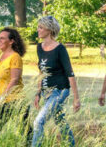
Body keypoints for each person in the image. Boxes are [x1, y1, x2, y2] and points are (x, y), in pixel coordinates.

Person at [31, 16, 80, 147]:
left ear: (49, 30)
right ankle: (71, 144)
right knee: (59, 120)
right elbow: (42, 72)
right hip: (46, 92)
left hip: (60, 91)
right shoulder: (39, 48)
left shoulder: (60, 49)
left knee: (38, 122)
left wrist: (76, 98)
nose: (38, 30)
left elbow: (70, 74)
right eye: (38, 27)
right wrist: (38, 93)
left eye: (41, 27)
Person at [0, 27, 32, 146]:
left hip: (15, 102)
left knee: (27, 135)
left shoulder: (15, 57)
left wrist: (0, 99)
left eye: (2, 38)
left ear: (11, 41)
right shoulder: (2, 57)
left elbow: (14, 79)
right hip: (3, 101)